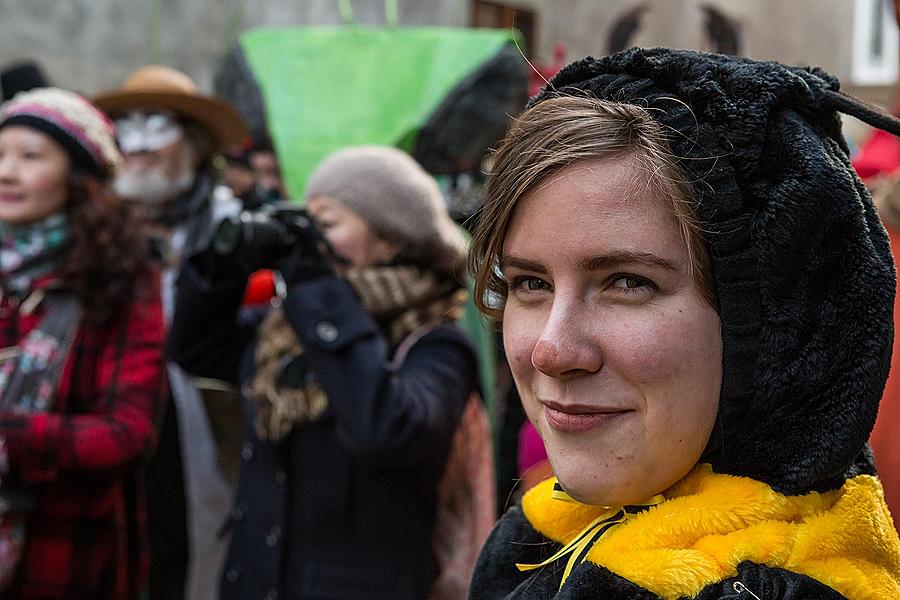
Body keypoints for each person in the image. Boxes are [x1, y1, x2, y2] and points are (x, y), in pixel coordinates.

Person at [468, 48, 900, 598]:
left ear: (775, 327)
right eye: (531, 283)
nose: (550, 350)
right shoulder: (551, 536)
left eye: (628, 282)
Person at [168, 145, 493, 600]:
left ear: (391, 238)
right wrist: (219, 269)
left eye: (327, 224)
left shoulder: (435, 343)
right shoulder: (286, 329)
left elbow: (387, 430)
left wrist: (317, 291)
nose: (312, 242)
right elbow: (196, 350)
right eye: (308, 223)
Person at [0, 88, 165, 597]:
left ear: (78, 177)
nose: (7, 172)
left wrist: (11, 436)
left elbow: (126, 432)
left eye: (30, 156)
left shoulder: (119, 277)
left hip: (64, 548)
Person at [93, 65, 249, 600]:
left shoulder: (231, 229)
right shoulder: (90, 231)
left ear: (195, 144)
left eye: (155, 126)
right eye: (125, 127)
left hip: (203, 429)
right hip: (108, 424)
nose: (137, 145)